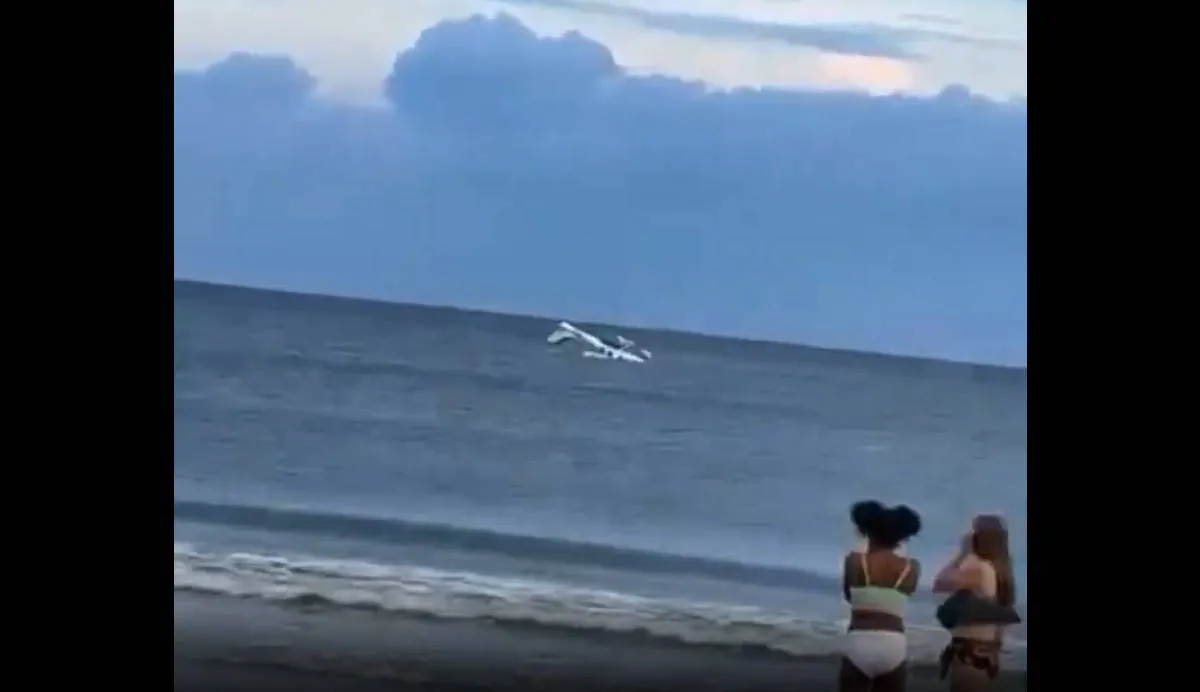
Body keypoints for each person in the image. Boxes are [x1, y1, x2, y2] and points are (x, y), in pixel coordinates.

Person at [840, 500, 923, 692]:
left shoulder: (855, 561)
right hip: (894, 643)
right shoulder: (912, 568)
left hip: (860, 640)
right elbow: (904, 595)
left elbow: (850, 597)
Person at [932, 515, 1018, 691]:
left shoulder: (979, 568)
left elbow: (940, 583)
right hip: (985, 652)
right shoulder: (999, 570)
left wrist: (962, 553)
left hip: (969, 653)